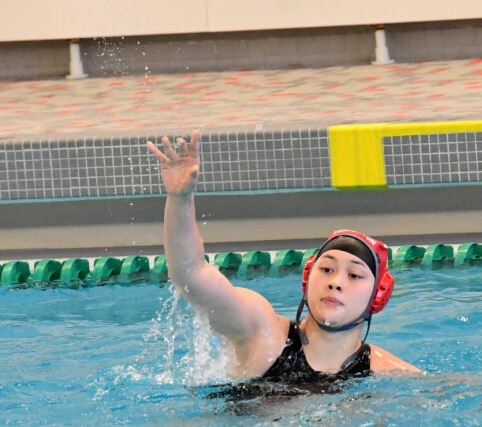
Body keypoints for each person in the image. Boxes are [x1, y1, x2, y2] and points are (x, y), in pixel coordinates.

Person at [147, 130, 420, 383]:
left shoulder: (392, 374)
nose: (336, 282)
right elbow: (190, 273)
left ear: (378, 296)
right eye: (326, 270)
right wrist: (180, 199)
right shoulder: (262, 334)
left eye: (355, 275)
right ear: (307, 278)